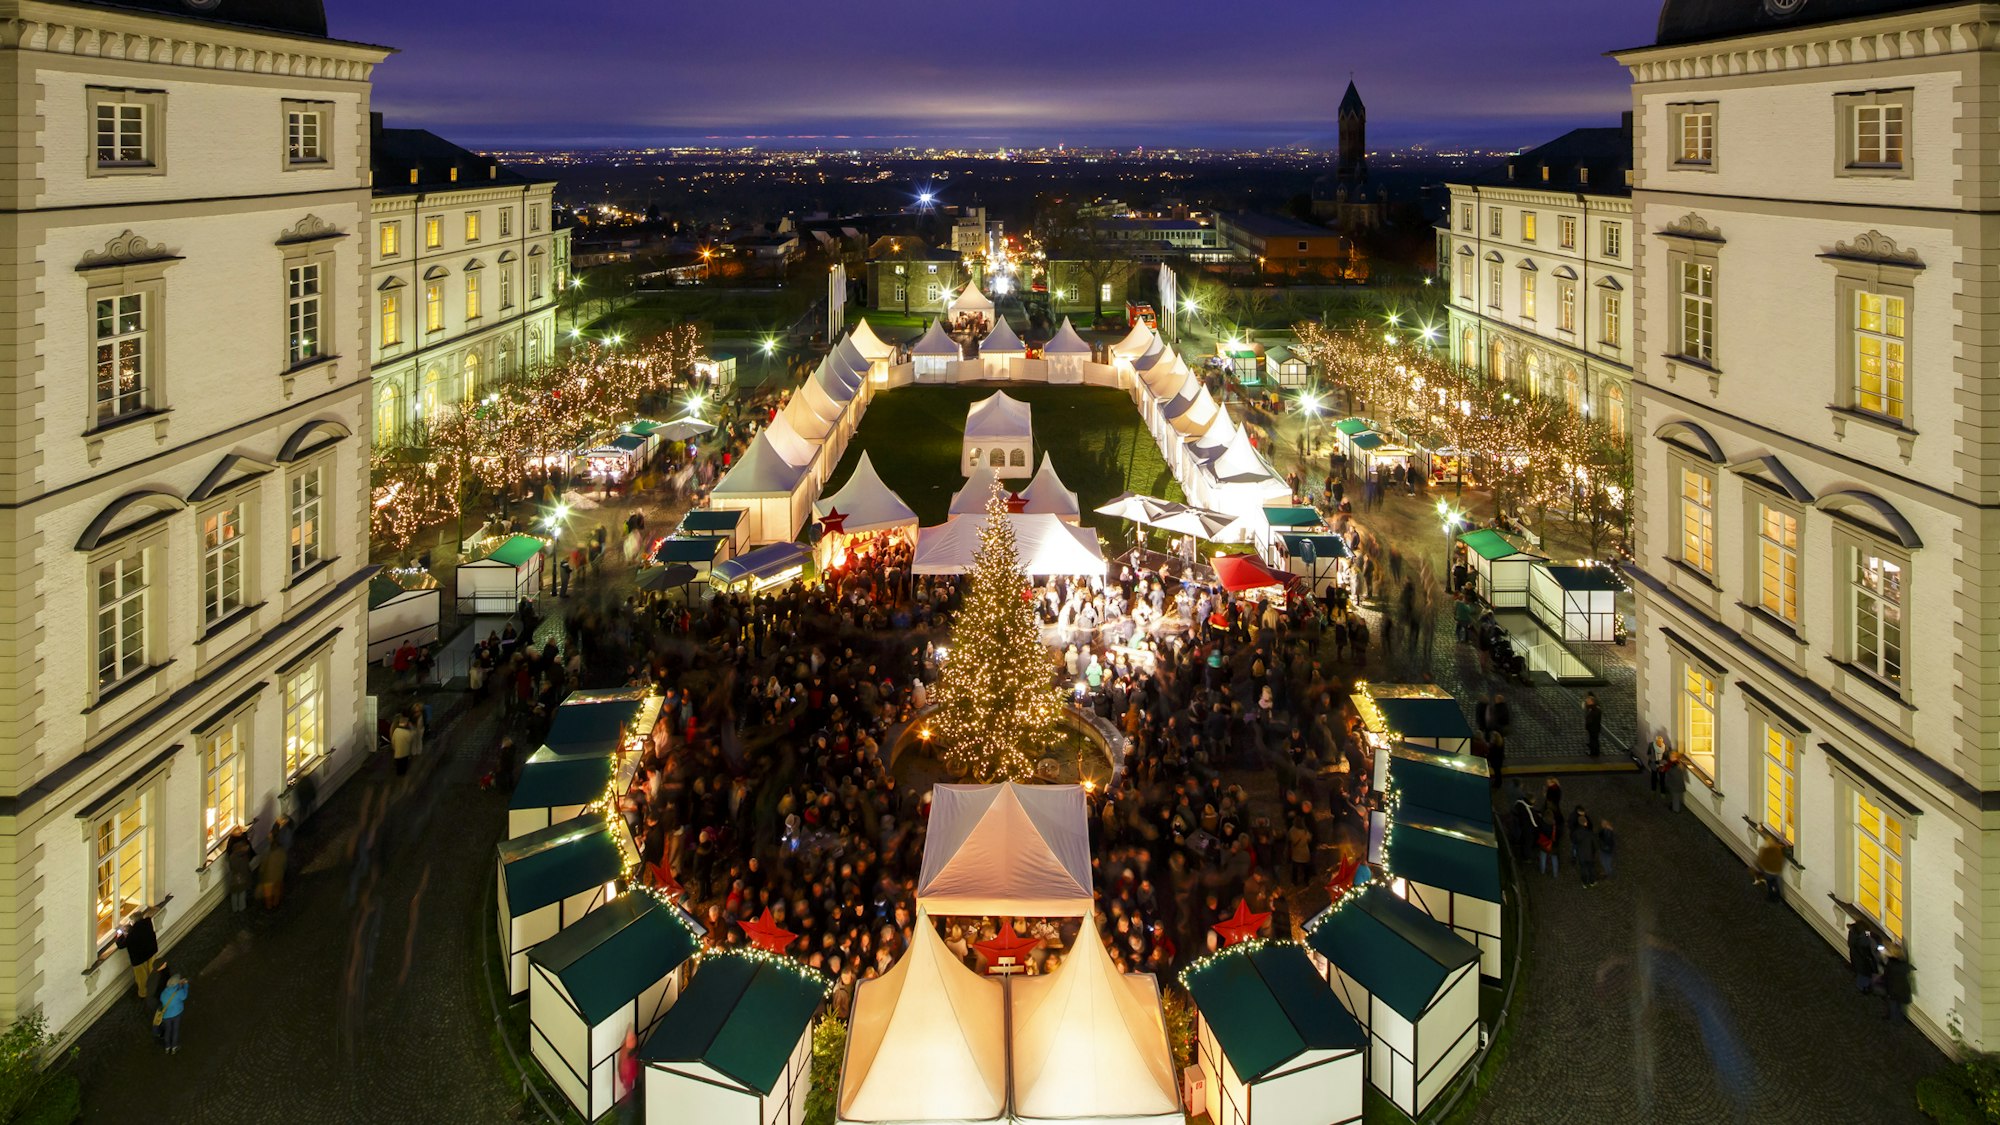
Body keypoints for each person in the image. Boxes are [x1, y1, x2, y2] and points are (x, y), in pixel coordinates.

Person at [114, 903, 162, 1001]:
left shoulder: (132, 933)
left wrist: (119, 936)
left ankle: (143, 993)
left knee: (142, 978)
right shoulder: (148, 923)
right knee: (152, 971)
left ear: (133, 922)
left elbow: (121, 945)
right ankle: (155, 987)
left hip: (139, 959)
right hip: (151, 952)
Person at [1880, 943, 1913, 1022]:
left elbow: (1886, 976)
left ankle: (1896, 1019)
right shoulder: (1902, 963)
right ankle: (1897, 1018)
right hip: (1901, 989)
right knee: (1898, 1005)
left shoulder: (1891, 964)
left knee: (1893, 1005)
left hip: (1893, 990)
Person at [1848, 921, 1882, 994]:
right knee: (1864, 976)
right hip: (1864, 964)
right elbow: (1871, 948)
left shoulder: (1853, 935)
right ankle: (1864, 988)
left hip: (1857, 962)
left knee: (1861, 975)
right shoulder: (1863, 941)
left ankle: (1862, 986)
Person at [158, 971, 188, 1054]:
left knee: (168, 1030)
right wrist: (185, 985)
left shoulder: (163, 993)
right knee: (175, 1030)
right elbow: (184, 996)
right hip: (176, 1015)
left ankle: (167, 1047)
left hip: (166, 1016)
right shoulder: (179, 992)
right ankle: (174, 1047)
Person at [1571, 807, 1599, 887]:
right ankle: (1592, 881)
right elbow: (1595, 845)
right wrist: (1594, 852)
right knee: (1591, 868)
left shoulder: (1575, 833)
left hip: (1581, 854)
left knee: (1583, 869)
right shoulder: (1590, 833)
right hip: (1590, 854)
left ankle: (1584, 883)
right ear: (1585, 823)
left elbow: (1574, 842)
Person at [1755, 834, 1786, 902]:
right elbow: (1780, 859)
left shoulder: (1765, 850)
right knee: (1776, 884)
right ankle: (1777, 896)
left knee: (1769, 885)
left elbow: (1761, 861)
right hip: (1776, 871)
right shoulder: (1777, 849)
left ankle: (1771, 897)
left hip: (1768, 871)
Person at [390, 710, 418, 777]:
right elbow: (412, 738)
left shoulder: (396, 731)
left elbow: (393, 740)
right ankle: (403, 774)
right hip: (405, 753)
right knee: (404, 764)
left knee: (399, 764)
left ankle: (399, 774)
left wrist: (394, 747)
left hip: (398, 752)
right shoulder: (407, 732)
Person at [1582, 692, 1603, 757]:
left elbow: (1590, 719)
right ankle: (1595, 752)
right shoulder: (1595, 709)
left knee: (1593, 741)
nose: (1587, 702)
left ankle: (1594, 753)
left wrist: (1587, 725)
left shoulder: (1594, 710)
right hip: (1595, 727)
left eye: (1588, 701)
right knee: (1594, 740)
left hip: (1593, 728)